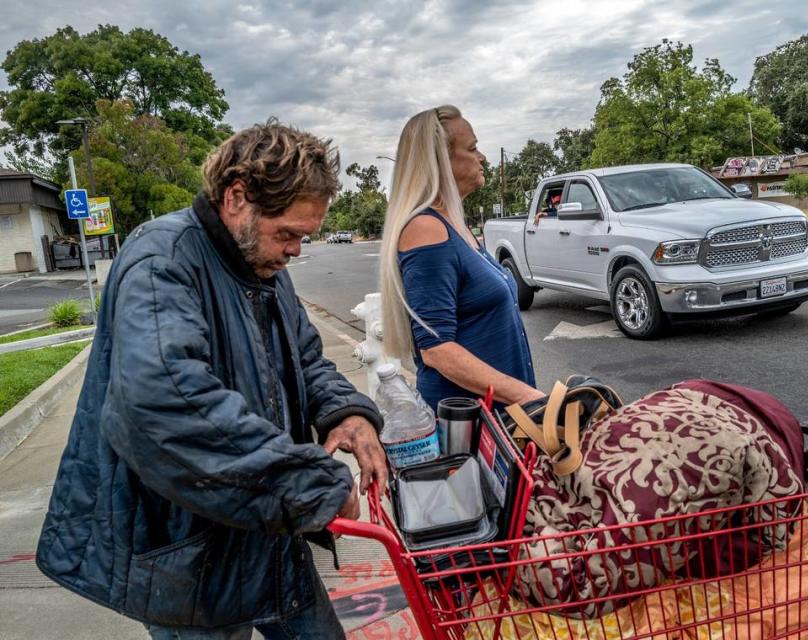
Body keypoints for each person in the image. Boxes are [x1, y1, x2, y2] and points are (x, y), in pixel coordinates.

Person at [35, 120, 388, 639]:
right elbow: (164, 403)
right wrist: (304, 484)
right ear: (237, 198)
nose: (295, 251)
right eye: (287, 233)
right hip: (190, 554)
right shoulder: (163, 260)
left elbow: (306, 357)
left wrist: (347, 411)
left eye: (303, 237)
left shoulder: (262, 266)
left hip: (269, 538)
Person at [379, 105, 542, 411]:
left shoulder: (453, 224)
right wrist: (527, 396)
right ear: (440, 161)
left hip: (500, 415)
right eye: (473, 148)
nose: (481, 157)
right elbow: (437, 350)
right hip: (472, 429)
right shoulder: (426, 229)